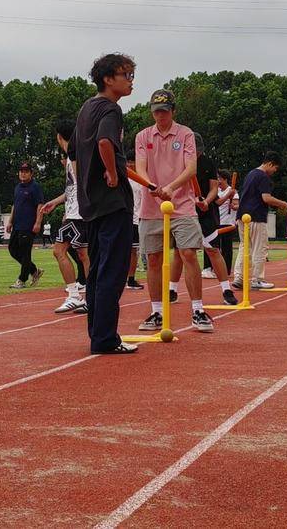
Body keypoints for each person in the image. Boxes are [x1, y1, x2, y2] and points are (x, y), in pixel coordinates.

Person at [70, 53, 138, 354]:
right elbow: (104, 142)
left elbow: (73, 152)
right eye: (126, 75)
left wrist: (87, 182)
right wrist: (111, 172)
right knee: (113, 270)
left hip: (90, 203)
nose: (130, 81)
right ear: (108, 79)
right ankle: (105, 338)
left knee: (98, 269)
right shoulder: (110, 110)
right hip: (113, 202)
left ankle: (98, 334)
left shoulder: (86, 108)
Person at [135, 90, 215, 334]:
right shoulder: (142, 136)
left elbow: (191, 169)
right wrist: (152, 187)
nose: (160, 115)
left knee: (189, 253)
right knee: (154, 259)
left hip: (181, 204)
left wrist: (170, 188)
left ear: (173, 111)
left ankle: (198, 310)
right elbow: (140, 167)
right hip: (151, 206)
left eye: (165, 111)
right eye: (156, 111)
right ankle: (157, 312)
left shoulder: (185, 134)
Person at [179, 132, 237, 306]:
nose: (195, 154)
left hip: (205, 213)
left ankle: (226, 290)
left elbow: (213, 188)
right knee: (179, 253)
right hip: (183, 211)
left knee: (213, 250)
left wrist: (206, 201)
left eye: (198, 151)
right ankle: (172, 290)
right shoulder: (178, 162)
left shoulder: (208, 163)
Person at [40, 120, 91, 314]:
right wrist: (56, 202)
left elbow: (81, 184)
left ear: (59, 136)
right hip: (77, 211)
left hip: (78, 213)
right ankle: (87, 297)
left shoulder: (74, 154)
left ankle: (74, 295)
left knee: (60, 251)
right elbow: (72, 188)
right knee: (84, 255)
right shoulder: (74, 156)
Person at [232, 152, 287, 290]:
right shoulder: (263, 177)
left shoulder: (251, 174)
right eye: (275, 168)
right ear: (270, 163)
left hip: (242, 216)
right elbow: (266, 198)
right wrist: (285, 204)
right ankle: (257, 279)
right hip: (256, 216)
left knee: (244, 247)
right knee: (259, 248)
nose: (274, 171)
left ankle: (239, 277)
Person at [6, 162, 44, 289]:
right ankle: (34, 270)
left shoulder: (35, 187)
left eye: (26, 171)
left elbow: (40, 205)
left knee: (25, 252)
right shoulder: (17, 187)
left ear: (31, 173)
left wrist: (38, 222)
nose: (23, 173)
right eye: (21, 171)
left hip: (28, 225)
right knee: (12, 249)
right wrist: (10, 221)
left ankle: (22, 279)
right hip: (17, 224)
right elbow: (15, 205)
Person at [126, 158, 145, 291]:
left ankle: (131, 279)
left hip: (136, 219)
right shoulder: (124, 179)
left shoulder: (142, 180)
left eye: (133, 162)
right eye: (128, 162)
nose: (130, 165)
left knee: (134, 251)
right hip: (124, 218)